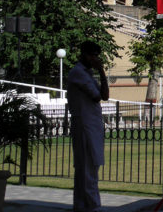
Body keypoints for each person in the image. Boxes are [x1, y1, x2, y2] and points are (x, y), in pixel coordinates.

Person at [67, 40, 110, 212]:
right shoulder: (78, 73)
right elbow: (96, 96)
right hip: (84, 124)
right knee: (86, 166)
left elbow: (105, 95)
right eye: (93, 56)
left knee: (90, 166)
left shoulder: (88, 74)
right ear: (85, 55)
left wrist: (101, 73)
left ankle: (83, 204)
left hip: (91, 124)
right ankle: (91, 204)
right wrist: (100, 70)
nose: (95, 59)